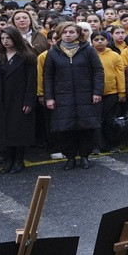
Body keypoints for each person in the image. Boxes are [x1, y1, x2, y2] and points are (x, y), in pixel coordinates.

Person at [42, 22, 104, 170]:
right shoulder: (53, 52)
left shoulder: (88, 50)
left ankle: (84, 156)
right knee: (65, 129)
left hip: (86, 96)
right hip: (63, 97)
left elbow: (98, 71)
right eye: (65, 32)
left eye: (72, 32)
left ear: (78, 34)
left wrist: (97, 92)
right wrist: (49, 97)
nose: (68, 35)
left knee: (86, 128)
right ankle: (70, 157)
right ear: (60, 34)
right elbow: (48, 76)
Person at [0, 27, 38, 174]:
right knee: (2, 131)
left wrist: (28, 101)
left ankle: (19, 160)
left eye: (9, 38)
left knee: (18, 131)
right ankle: (8, 160)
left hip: (18, 98)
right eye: (3, 39)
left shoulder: (26, 57)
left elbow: (32, 81)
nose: (5, 41)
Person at [92, 30, 125, 152]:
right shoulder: (89, 54)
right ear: (92, 41)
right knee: (96, 119)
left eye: (102, 39)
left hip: (111, 92)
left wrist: (122, 92)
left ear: (107, 41)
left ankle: (113, 144)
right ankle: (97, 145)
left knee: (110, 120)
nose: (100, 42)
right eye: (96, 40)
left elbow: (120, 74)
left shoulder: (114, 55)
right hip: (94, 93)